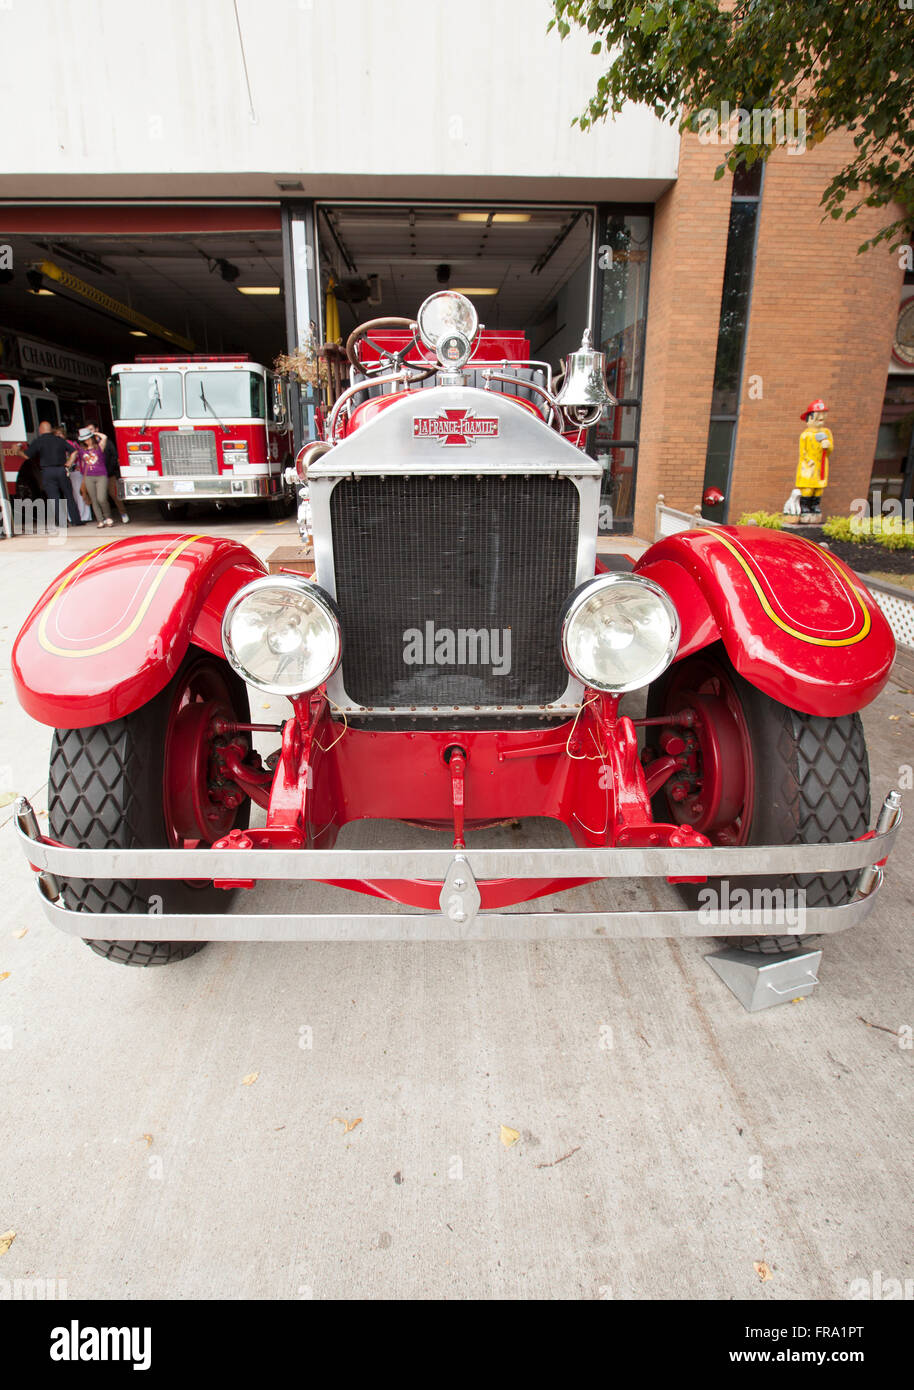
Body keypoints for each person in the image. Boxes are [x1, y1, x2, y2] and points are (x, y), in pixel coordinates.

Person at [24, 421, 80, 527]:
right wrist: (68, 463)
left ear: (41, 430)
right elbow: (74, 451)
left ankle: (62, 522)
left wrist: (17, 451)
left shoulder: (39, 441)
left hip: (48, 471)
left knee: (54, 497)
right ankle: (76, 520)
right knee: (68, 495)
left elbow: (27, 456)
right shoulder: (59, 440)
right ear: (50, 429)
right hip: (61, 469)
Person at [76, 426, 114, 527]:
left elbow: (104, 437)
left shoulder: (99, 447)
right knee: (94, 499)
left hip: (101, 475)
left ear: (91, 438)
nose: (86, 441)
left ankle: (108, 517)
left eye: (88, 438)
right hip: (89, 476)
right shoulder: (81, 450)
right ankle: (100, 520)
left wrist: (94, 433)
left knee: (101, 498)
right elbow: (82, 464)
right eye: (84, 440)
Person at [55, 425, 92, 523]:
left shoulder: (69, 443)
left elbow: (77, 455)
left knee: (78, 494)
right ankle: (78, 516)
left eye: (60, 434)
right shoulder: (65, 444)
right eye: (56, 434)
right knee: (73, 495)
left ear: (63, 434)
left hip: (75, 471)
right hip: (70, 472)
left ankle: (83, 516)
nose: (59, 436)